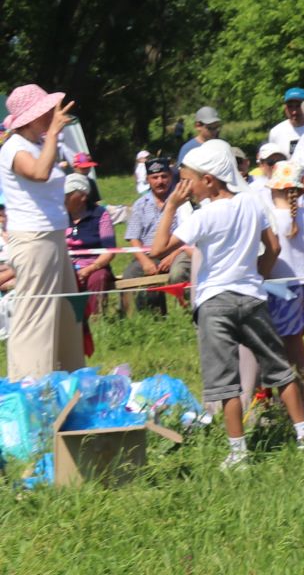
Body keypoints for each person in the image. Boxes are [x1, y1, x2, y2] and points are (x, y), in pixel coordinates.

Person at [145, 140, 304, 468]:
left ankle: (238, 451)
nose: (185, 188)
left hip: (214, 302)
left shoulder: (203, 216)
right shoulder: (253, 204)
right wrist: (258, 275)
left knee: (226, 382)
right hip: (252, 297)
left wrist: (170, 205)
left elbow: (156, 250)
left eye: (188, 180)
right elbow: (273, 247)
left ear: (209, 180)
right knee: (280, 370)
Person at [1, 84, 86, 376]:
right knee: (35, 317)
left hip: (53, 237)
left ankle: (70, 380)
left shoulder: (39, 144)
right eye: (47, 110)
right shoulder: (13, 148)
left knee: (67, 314)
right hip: (33, 239)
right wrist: (52, 135)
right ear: (33, 116)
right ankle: (31, 387)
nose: (53, 114)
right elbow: (39, 173)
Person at [263, 161, 304, 419]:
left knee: (276, 352)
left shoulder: (269, 218)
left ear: (274, 189)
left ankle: (288, 404)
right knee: (299, 351)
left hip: (279, 289)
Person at [120, 156, 182, 315]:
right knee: (129, 275)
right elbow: (133, 238)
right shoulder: (140, 204)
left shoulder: (181, 201)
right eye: (155, 177)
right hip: (148, 254)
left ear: (170, 177)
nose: (160, 181)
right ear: (147, 179)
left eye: (164, 176)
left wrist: (172, 256)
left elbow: (189, 236)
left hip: (177, 253)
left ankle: (184, 312)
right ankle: (142, 317)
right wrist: (145, 261)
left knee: (179, 272)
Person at [67, 173, 118, 318]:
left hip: (95, 266)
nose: (63, 198)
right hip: (67, 267)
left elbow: (110, 251)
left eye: (68, 194)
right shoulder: (60, 217)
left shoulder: (100, 214)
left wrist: (89, 269)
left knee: (98, 278)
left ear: (83, 196)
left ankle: (96, 318)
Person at [267, 88, 304, 156]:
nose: (294, 111)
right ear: (285, 108)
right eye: (290, 106)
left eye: (298, 106)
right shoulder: (276, 132)